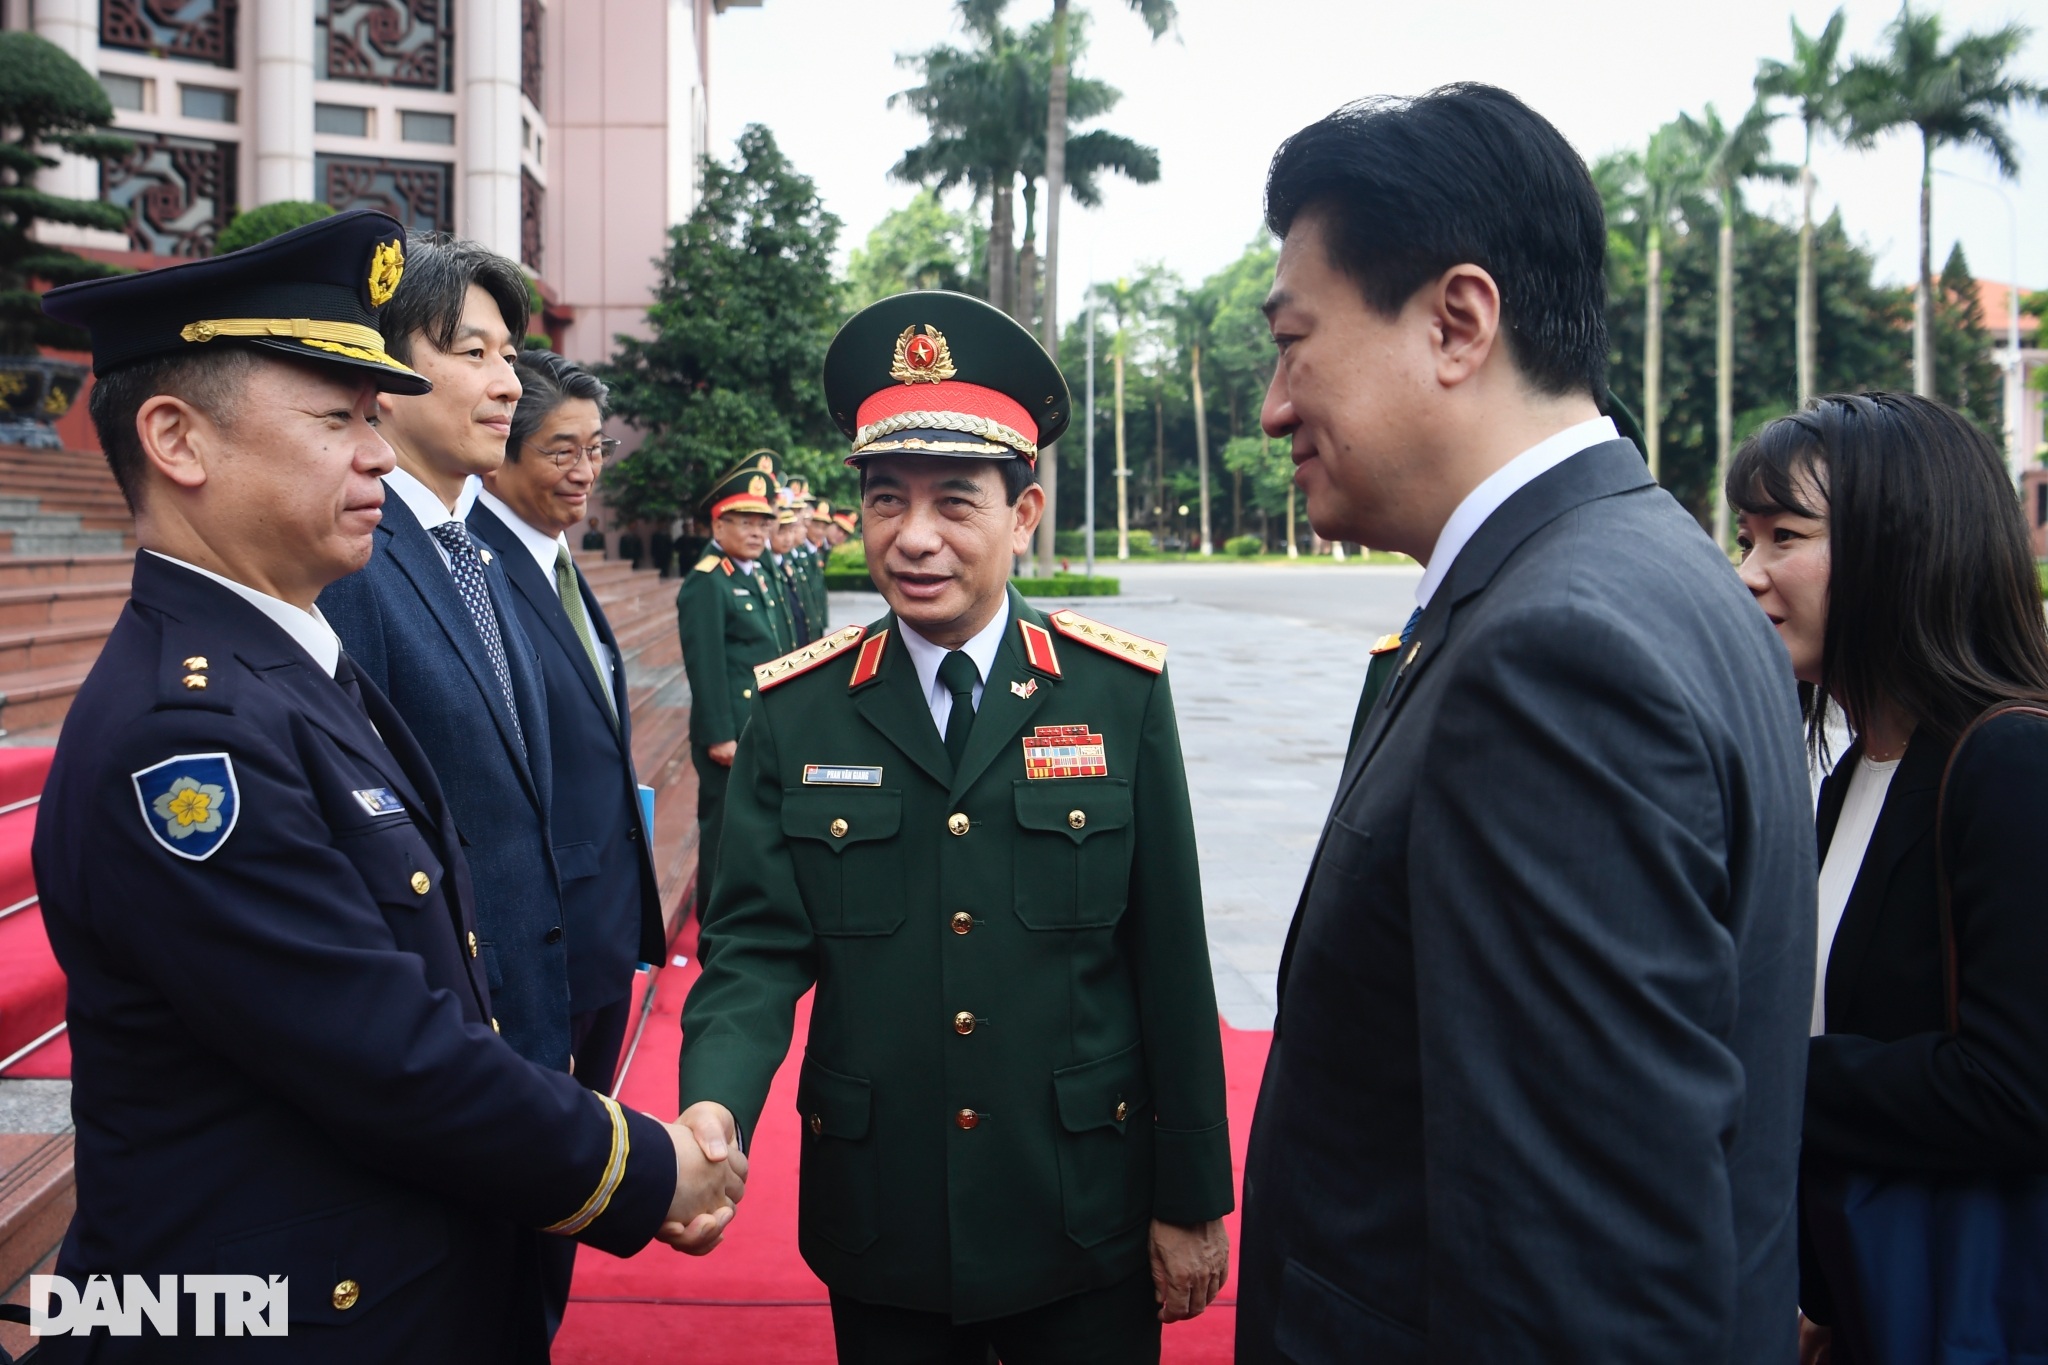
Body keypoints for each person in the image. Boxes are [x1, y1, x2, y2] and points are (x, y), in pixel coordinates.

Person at [32, 210, 742, 1362]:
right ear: (177, 439)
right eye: (337, 420)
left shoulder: (287, 662)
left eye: (375, 416)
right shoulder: (186, 733)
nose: (376, 451)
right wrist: (643, 1166)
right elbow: (378, 1049)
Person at [1235, 86, 1814, 1363]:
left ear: (1455, 322)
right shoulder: (1648, 572)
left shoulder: (1555, 654)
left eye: (1293, 341)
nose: (1275, 405)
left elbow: (1580, 1280)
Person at [677, 290, 1234, 1365]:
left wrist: (1189, 1194)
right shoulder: (797, 708)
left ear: (1022, 513)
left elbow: (1169, 957)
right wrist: (712, 1109)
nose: (913, 538)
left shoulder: (1115, 696)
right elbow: (751, 950)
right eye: (886, 501)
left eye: (955, 503)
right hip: (885, 1212)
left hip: (1079, 1208)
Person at [1729, 394, 2048, 1365]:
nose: (1746, 574)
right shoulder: (1844, 782)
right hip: (1866, 1298)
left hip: (1970, 1302)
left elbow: (2014, 1087)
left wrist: (1752, 1071)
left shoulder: (2007, 767)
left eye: (1784, 536)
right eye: (1743, 537)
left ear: (1906, 545)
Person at [317, 235, 573, 1074]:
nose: (509, 383)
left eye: (510, 355)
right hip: (450, 1034)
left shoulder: (474, 551)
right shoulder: (354, 560)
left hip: (526, 1007)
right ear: (383, 384)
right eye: (473, 353)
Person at [470, 349, 671, 1333]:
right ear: (499, 451)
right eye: (562, 449)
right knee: (530, 1193)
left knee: (571, 1182)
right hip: (532, 949)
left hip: (594, 933)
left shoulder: (555, 564)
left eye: (596, 448)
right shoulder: (465, 573)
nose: (586, 470)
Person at [674, 456, 785, 920]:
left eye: (763, 523)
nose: (759, 532)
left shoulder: (749, 572)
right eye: (746, 522)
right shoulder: (707, 584)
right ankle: (713, 930)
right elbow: (706, 666)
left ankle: (746, 915)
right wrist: (720, 733)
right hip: (730, 734)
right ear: (718, 524)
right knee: (722, 834)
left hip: (756, 725)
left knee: (750, 829)